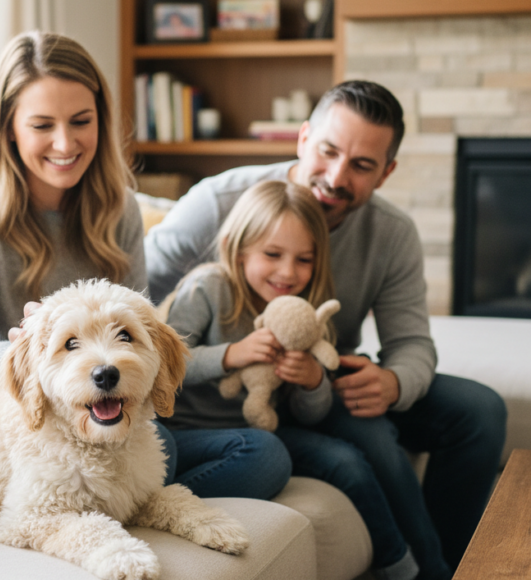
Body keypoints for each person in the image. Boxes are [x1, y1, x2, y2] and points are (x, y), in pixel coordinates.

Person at [145, 80, 507, 578]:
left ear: (387, 172)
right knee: (367, 440)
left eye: (361, 165)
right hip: (221, 404)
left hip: (313, 378)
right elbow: (131, 290)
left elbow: (413, 344)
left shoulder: (391, 234)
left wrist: (394, 382)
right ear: (302, 138)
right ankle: (427, 570)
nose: (336, 176)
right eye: (328, 151)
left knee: (480, 410)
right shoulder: (220, 203)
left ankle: (455, 561)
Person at [0, 31, 288, 491]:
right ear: (8, 126)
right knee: (155, 469)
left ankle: (132, 496)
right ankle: (116, 499)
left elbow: (138, 327)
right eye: (41, 125)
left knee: (265, 455)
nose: (65, 142)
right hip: (26, 421)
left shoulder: (120, 208)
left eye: (81, 120)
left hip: (113, 414)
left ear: (102, 120)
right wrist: (30, 358)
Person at [163, 179, 418, 580]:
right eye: (272, 254)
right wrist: (231, 354)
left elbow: (308, 416)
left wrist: (314, 382)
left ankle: (400, 567)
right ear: (238, 247)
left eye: (303, 259)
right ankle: (158, 503)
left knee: (345, 460)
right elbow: (166, 362)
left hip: (253, 429)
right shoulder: (209, 286)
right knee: (266, 453)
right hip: (186, 431)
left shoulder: (304, 317)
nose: (287, 271)